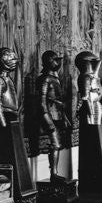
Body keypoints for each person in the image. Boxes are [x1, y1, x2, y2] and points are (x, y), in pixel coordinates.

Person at [37, 50, 70, 180]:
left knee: (58, 144)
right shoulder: (45, 79)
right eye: (55, 60)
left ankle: (55, 173)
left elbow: (57, 101)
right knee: (55, 144)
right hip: (48, 115)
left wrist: (65, 118)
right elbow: (42, 102)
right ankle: (53, 174)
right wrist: (48, 120)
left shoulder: (54, 78)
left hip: (56, 114)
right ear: (49, 61)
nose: (58, 63)